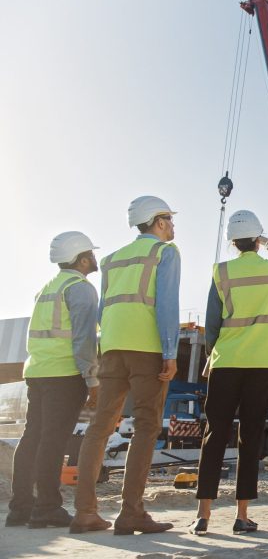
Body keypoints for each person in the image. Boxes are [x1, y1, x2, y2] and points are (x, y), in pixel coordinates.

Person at [70, 196, 180, 535]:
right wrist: (170, 352)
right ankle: (130, 512)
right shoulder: (165, 253)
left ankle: (85, 513)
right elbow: (166, 306)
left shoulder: (112, 259)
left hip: (113, 348)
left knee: (100, 427)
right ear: (159, 223)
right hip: (146, 349)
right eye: (170, 220)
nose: (173, 226)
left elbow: (104, 309)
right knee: (146, 426)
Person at [188, 210, 268, 536]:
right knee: (251, 436)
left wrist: (209, 355)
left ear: (233, 241)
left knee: (214, 434)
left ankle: (203, 514)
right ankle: (242, 516)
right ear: (257, 239)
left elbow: (212, 322)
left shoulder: (221, 272)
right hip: (262, 362)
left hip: (226, 361)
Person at [7, 232, 101, 528]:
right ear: (83, 258)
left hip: (37, 371)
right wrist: (92, 379)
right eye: (91, 253)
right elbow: (84, 339)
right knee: (53, 440)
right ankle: (47, 507)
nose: (94, 258)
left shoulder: (46, 289)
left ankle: (20, 508)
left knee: (32, 437)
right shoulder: (80, 288)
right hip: (64, 373)